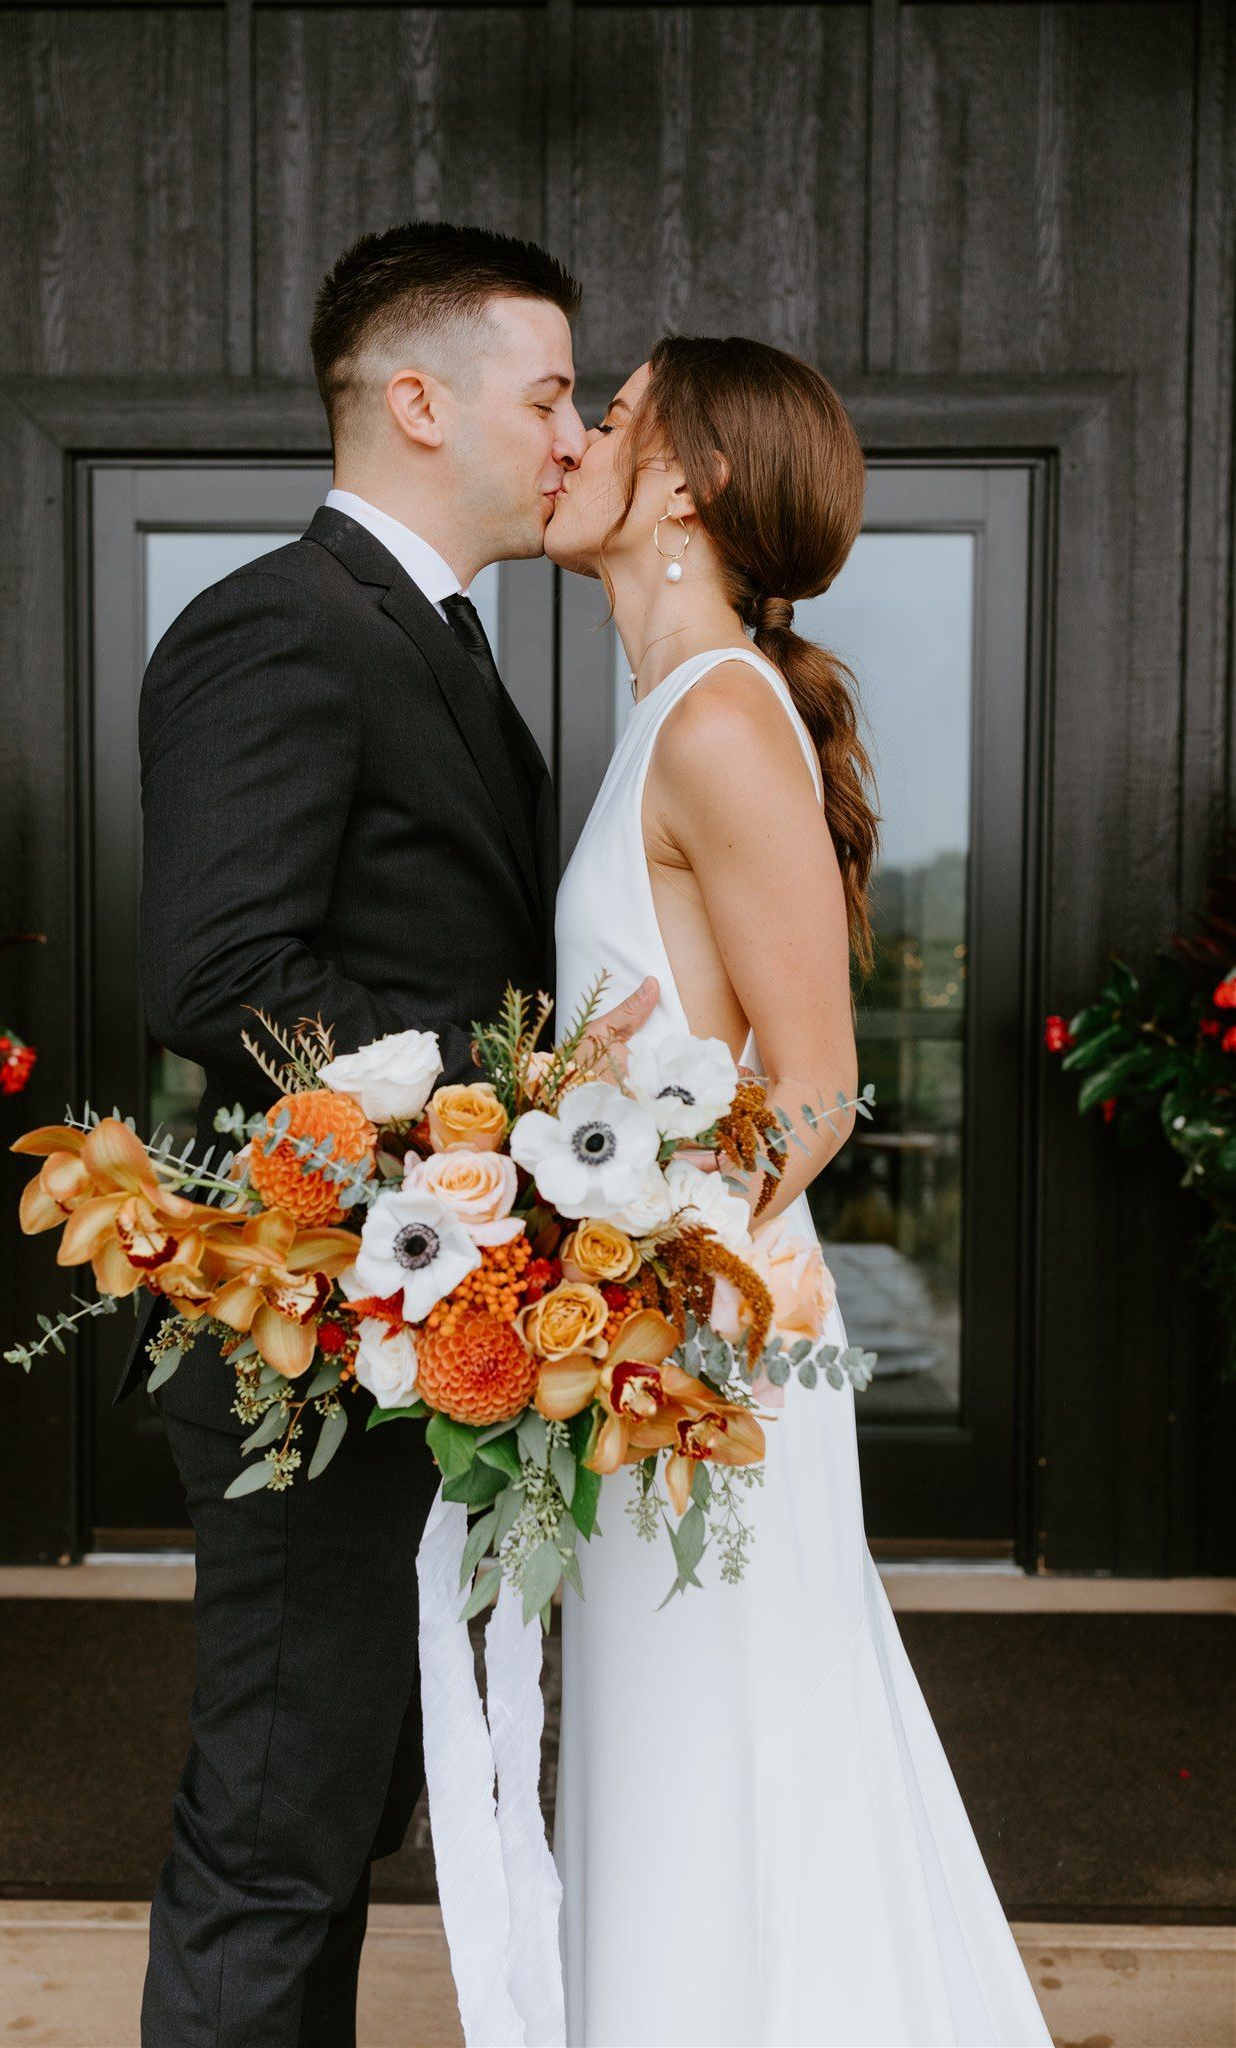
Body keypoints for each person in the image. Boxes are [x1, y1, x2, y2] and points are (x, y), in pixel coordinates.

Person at [119, 220, 656, 2048]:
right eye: (549, 392)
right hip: (311, 1341)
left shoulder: (426, 639)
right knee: (278, 1829)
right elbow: (227, 977)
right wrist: (526, 1138)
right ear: (419, 401)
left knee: (340, 1813)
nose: (572, 434)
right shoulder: (279, 622)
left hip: (408, 1339)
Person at [544, 336, 1052, 2047]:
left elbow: (817, 1089)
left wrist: (641, 1277)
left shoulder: (715, 720)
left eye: (607, 418)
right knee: (677, 1758)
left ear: (683, 480)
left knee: (731, 1762)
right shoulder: (666, 714)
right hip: (651, 1352)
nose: (576, 440)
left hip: (708, 1360)